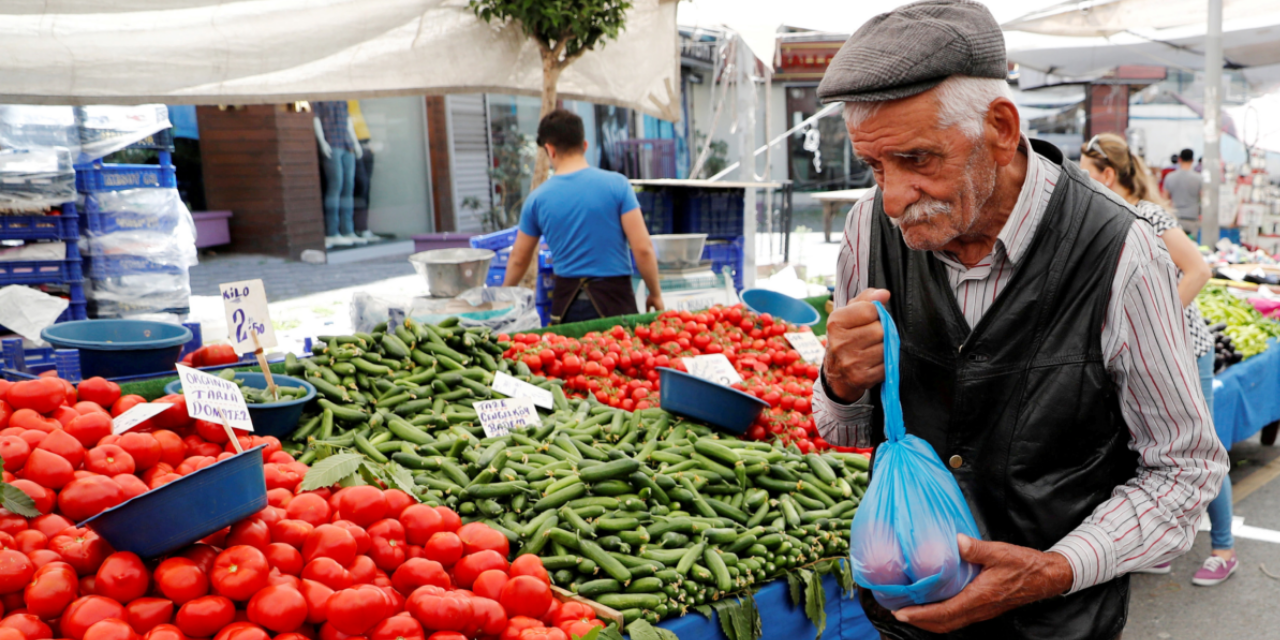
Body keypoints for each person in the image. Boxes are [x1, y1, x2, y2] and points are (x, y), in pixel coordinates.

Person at [812, 1, 1228, 638]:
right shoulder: (867, 230)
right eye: (874, 167)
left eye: (918, 160)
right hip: (908, 617)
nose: (892, 198)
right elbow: (845, 434)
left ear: (1001, 128)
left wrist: (1054, 568)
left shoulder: (1120, 251)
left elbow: (1185, 469)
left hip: (1055, 622)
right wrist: (839, 383)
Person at [1079, 133, 1235, 586]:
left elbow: (1199, 269)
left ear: (1108, 175)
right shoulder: (1104, 220)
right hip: (1143, 357)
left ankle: (1223, 548)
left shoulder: (1147, 215)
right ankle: (1161, 547)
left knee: (1197, 449)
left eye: (1087, 175)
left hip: (1188, 351)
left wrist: (1154, 324)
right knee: (1149, 449)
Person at [503, 109, 664, 322]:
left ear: (549, 150)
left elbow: (518, 260)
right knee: (620, 355)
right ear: (584, 145)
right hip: (616, 304)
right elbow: (643, 249)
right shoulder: (617, 185)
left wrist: (502, 298)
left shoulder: (537, 199)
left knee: (572, 355)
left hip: (567, 308)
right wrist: (655, 293)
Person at [313, 100, 365, 249]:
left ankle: (348, 230)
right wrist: (322, 142)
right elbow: (315, 119)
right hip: (332, 143)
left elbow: (348, 121)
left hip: (346, 144)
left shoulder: (342, 98)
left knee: (348, 187)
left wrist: (355, 143)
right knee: (336, 185)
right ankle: (332, 232)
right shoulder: (319, 99)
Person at [1164, 148, 1202, 237]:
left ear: (1179, 159)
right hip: (1192, 218)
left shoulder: (1169, 177)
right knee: (1191, 246)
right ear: (1192, 160)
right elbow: (1203, 198)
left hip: (1174, 218)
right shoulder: (1199, 178)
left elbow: (1164, 198)